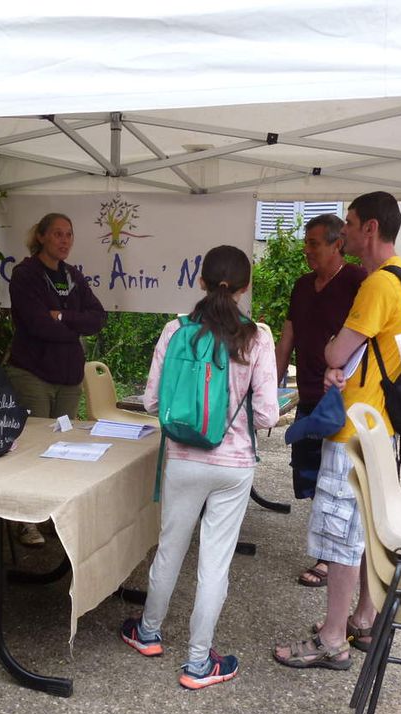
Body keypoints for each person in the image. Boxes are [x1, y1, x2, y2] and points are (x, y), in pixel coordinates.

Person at [119, 245, 279, 689]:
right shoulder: (258, 336)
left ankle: (148, 632)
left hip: (182, 459)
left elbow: (152, 401)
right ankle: (197, 663)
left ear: (201, 281)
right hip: (234, 465)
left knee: (170, 547)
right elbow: (265, 415)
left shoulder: (175, 332)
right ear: (245, 287)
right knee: (215, 563)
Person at [273, 191, 401, 670]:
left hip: (352, 427)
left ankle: (332, 638)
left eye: (351, 223)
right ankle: (361, 617)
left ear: (369, 228)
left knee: (339, 533)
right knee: (362, 528)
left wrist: (337, 355)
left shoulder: (376, 284)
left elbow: (336, 352)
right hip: (378, 425)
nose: (347, 230)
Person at [275, 214, 366, 588]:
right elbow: (288, 336)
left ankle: (331, 557)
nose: (307, 250)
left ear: (336, 244)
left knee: (341, 480)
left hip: (342, 398)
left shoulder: (357, 281)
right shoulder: (301, 285)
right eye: (306, 242)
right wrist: (272, 383)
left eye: (314, 243)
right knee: (311, 476)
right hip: (310, 395)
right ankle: (331, 549)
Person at [7, 212, 108, 547]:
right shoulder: (26, 274)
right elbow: (36, 325)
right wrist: (73, 328)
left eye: (69, 235)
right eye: (57, 234)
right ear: (41, 237)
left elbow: (99, 318)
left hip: (67, 378)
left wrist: (63, 316)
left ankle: (49, 513)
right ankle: (25, 521)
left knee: (61, 447)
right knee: (33, 447)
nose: (64, 241)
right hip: (33, 373)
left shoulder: (73, 276)